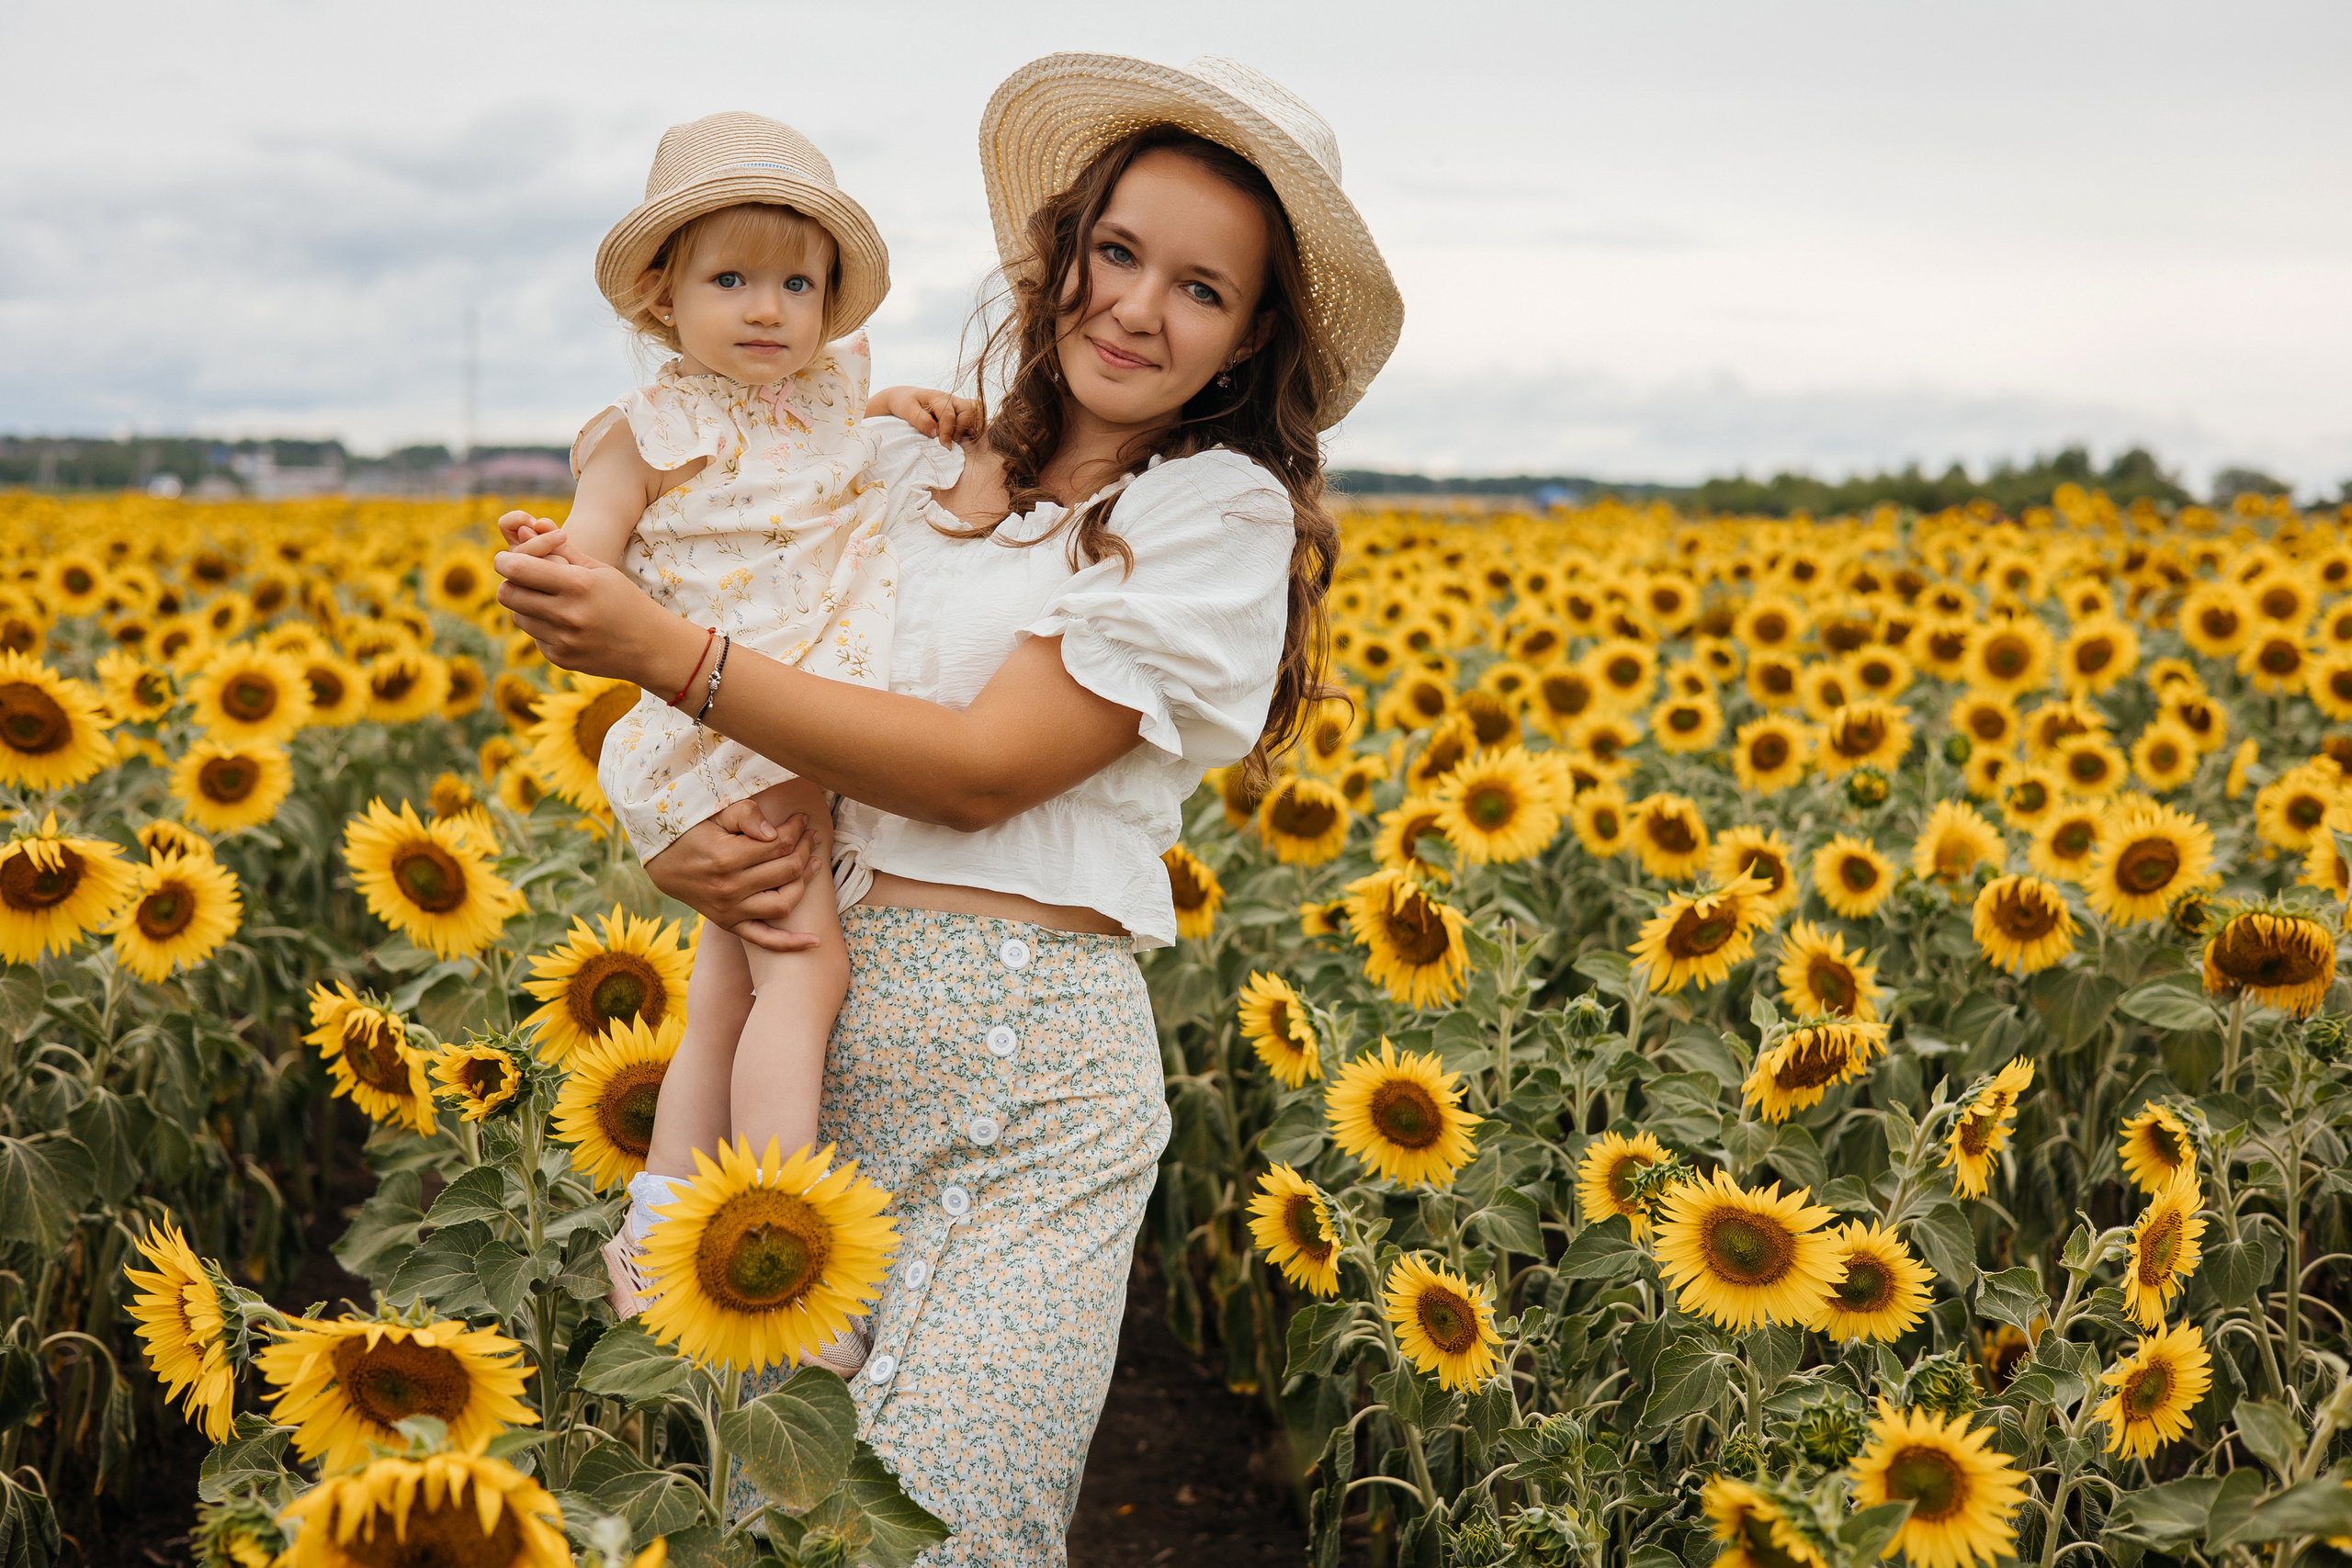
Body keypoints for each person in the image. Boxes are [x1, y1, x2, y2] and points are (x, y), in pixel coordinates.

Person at [496, 53, 1401, 1565]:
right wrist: (683, 841)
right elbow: (720, 561)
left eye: (1199, 289)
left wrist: (672, 660)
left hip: (1030, 1104)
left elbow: (981, 768)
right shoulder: (904, 458)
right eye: (1118, 253)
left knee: (944, 1536)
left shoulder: (1214, 515)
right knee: (779, 1530)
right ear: (1060, 255)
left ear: (1250, 338)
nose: (1137, 307)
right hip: (810, 1076)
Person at [498, 110, 974, 1359]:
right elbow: (587, 563)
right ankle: (777, 1235)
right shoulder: (644, 431)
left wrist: (907, 407)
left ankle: (658, 1228)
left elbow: (849, 447)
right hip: (734, 726)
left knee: (727, 985)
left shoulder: (826, 391)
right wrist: (552, 557)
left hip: (783, 715)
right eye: (731, 281)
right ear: (663, 293)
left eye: (796, 285)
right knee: (806, 972)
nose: (768, 309)